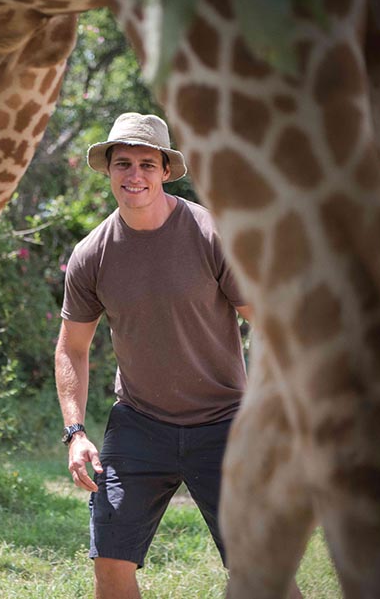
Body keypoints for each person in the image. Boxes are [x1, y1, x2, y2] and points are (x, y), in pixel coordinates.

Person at [54, 113, 302, 599]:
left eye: (147, 163)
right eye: (122, 163)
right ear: (107, 170)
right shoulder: (92, 254)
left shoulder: (212, 235)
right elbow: (72, 347)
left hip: (225, 421)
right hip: (139, 424)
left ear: (166, 171)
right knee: (110, 561)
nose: (134, 175)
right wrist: (75, 432)